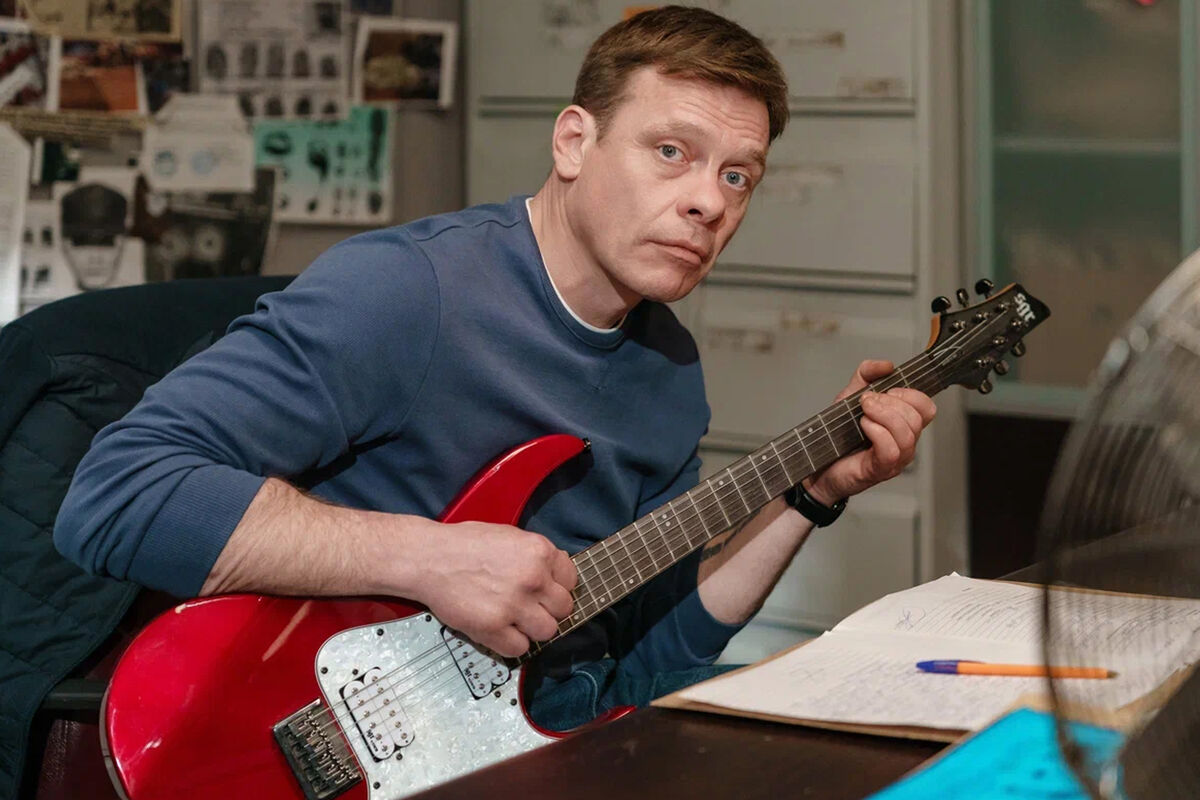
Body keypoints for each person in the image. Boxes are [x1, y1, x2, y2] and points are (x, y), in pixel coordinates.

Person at [54, 6, 935, 730]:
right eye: (672, 152)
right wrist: (429, 559)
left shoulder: (669, 370)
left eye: (739, 176)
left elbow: (645, 657)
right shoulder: (407, 293)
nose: (709, 200)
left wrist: (810, 495)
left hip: (545, 731)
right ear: (574, 143)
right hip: (331, 734)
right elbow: (116, 495)